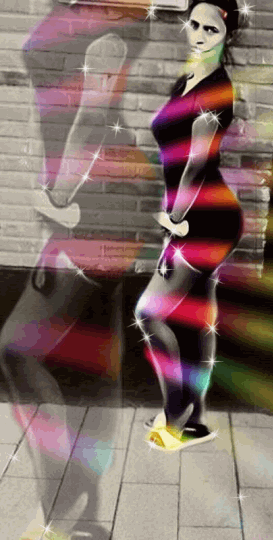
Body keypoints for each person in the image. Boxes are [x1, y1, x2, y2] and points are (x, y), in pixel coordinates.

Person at [0, 2, 151, 539]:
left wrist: (58, 200)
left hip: (90, 210)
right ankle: (84, 512)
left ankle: (66, 508)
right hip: (109, 208)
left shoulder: (104, 32)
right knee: (100, 360)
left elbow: (91, 114)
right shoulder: (104, 27)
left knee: (17, 350)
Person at [136, 0, 243, 452]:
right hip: (192, 216)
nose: (198, 34)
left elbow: (196, 166)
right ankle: (193, 419)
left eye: (210, 29)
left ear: (229, 34)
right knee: (193, 320)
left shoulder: (217, 89)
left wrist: (173, 225)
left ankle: (177, 414)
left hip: (206, 220)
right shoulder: (189, 80)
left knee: (149, 312)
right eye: (194, 24)